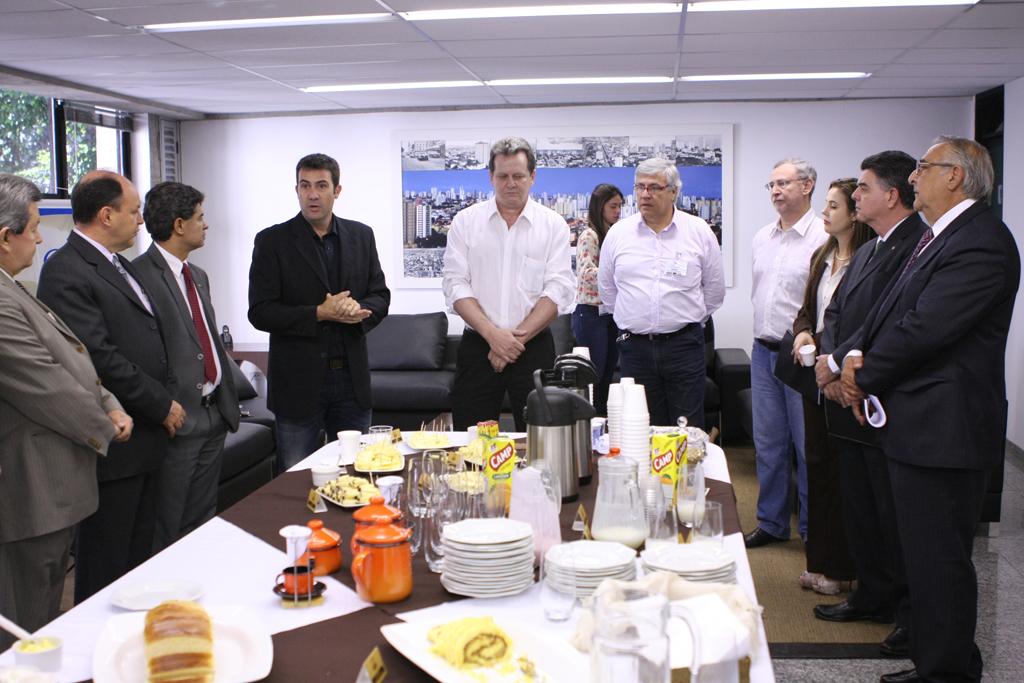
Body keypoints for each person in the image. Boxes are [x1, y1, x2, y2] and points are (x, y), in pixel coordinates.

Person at [842, 137, 1019, 683]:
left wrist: (862, 374)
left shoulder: (981, 242)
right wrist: (854, 356)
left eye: (924, 167)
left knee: (939, 559)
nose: (914, 177)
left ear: (956, 177)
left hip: (946, 428)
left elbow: (926, 329)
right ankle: (946, 658)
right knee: (925, 555)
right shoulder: (940, 237)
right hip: (919, 423)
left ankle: (945, 672)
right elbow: (893, 311)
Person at [0, 174, 132, 649]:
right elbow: (47, 384)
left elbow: (71, 356)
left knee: (46, 610)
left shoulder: (12, 286)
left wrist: (109, 401)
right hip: (30, 490)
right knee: (26, 627)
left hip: (51, 487)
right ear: (4, 236)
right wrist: (107, 422)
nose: (39, 237)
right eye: (34, 227)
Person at [37, 170, 182, 602]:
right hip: (115, 443)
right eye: (134, 211)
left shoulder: (117, 264)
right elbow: (100, 358)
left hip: (145, 441)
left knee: (139, 561)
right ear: (105, 215)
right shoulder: (67, 270)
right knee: (106, 567)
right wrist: (161, 404)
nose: (141, 220)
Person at [811, 151, 925, 659]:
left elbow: (887, 323)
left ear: (891, 195)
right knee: (857, 504)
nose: (855, 196)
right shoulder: (875, 245)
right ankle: (873, 592)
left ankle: (904, 610)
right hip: (846, 389)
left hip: (872, 398)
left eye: (862, 188)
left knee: (889, 513)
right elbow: (837, 308)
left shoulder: (913, 246)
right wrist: (827, 360)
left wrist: (837, 367)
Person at [249, 153, 390, 471]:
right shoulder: (272, 241)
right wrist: (318, 313)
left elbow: (380, 295)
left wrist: (360, 310)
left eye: (321, 185)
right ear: (296, 189)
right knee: (296, 478)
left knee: (357, 471)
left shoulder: (361, 236)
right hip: (298, 383)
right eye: (305, 185)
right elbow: (260, 312)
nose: (312, 194)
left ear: (337, 190)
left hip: (351, 382)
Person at [133, 182, 240, 552]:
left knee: (203, 522)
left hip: (214, 414)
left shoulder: (199, 276)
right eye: (200, 217)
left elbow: (205, 338)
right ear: (179, 225)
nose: (206, 225)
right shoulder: (138, 277)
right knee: (168, 528)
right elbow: (139, 354)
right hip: (177, 420)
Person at [442, 137, 575, 431]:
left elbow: (558, 290)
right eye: (502, 176)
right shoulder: (466, 222)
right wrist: (492, 335)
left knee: (542, 440)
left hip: (534, 347)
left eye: (518, 176)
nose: (510, 183)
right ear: (491, 176)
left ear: (533, 177)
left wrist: (513, 341)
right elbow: (455, 285)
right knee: (471, 441)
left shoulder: (552, 225)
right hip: (478, 347)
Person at [789, 178, 873, 595]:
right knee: (818, 466)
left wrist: (837, 364)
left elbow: (864, 325)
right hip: (815, 374)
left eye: (834, 207)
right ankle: (822, 562)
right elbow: (807, 311)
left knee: (846, 477)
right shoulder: (822, 256)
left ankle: (845, 569)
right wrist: (803, 333)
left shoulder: (869, 260)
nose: (825, 213)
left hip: (848, 377)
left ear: (855, 216)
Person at [598, 159, 724, 427]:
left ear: (673, 192)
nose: (645, 194)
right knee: (641, 428)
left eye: (654, 187)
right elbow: (608, 291)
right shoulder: (619, 234)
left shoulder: (698, 232)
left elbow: (714, 291)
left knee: (687, 429)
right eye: (640, 187)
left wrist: (688, 320)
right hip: (635, 349)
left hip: (684, 347)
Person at [745, 157, 828, 548]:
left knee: (807, 445)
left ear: (808, 185)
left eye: (784, 184)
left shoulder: (823, 238)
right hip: (763, 353)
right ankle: (772, 523)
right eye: (772, 185)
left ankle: (813, 530)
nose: (776, 192)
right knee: (769, 445)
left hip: (800, 357)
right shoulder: (763, 237)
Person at [571, 183, 623, 416]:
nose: (618, 211)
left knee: (607, 376)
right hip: (590, 313)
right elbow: (586, 273)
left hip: (611, 314)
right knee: (595, 375)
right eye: (613, 206)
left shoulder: (613, 235)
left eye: (620, 206)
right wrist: (619, 274)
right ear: (600, 206)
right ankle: (588, 425)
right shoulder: (589, 235)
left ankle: (601, 425)